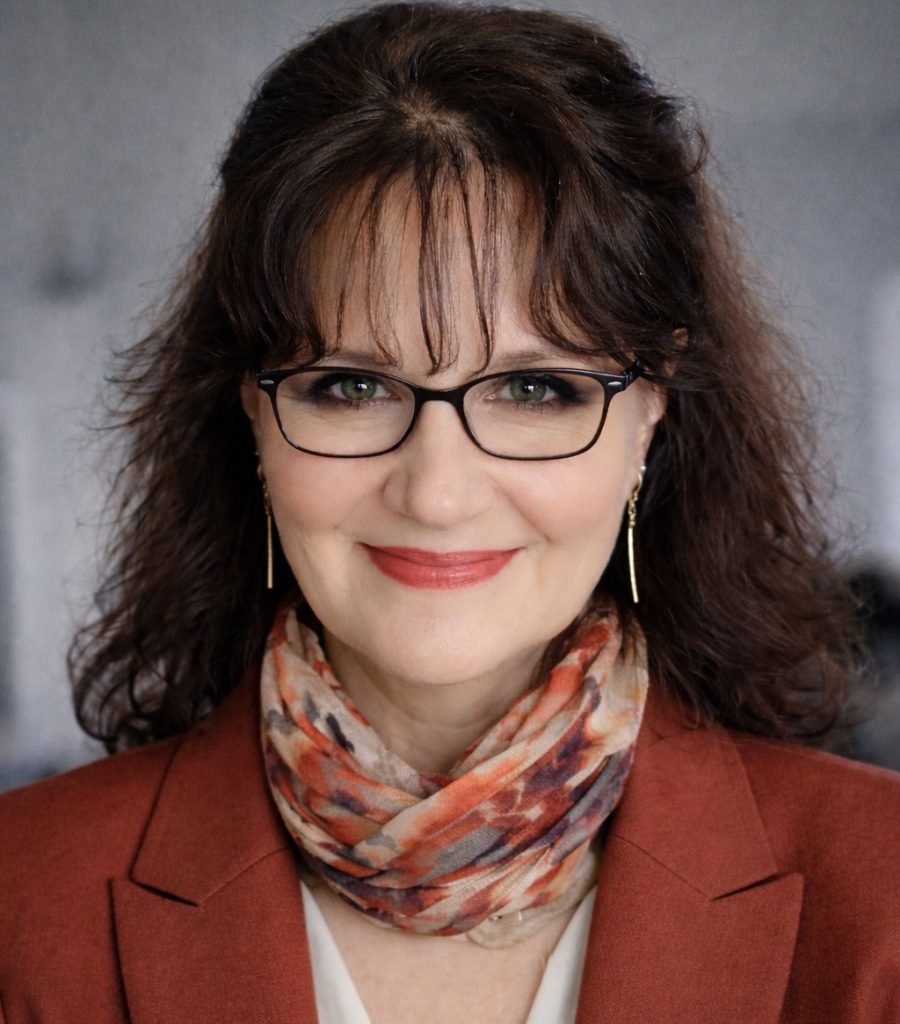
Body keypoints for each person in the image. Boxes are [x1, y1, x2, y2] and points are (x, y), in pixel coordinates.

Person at [1, 3, 898, 1022]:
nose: (436, 492)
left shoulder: (884, 898)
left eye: (533, 389)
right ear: (253, 416)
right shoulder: (21, 901)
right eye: (350, 386)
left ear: (651, 413)